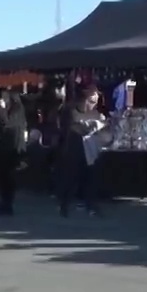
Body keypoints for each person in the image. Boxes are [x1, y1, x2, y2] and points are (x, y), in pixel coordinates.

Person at [56, 86, 107, 218]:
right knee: (71, 177)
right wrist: (91, 125)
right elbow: (76, 128)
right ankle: (64, 205)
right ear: (84, 99)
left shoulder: (95, 113)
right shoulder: (71, 111)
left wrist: (97, 124)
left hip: (90, 148)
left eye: (96, 102)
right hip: (75, 146)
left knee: (92, 177)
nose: (94, 104)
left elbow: (102, 126)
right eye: (92, 101)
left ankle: (91, 206)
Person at [0, 91, 27, 216]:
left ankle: (6, 203)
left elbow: (5, 124)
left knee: (5, 178)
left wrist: (1, 109)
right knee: (4, 178)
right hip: (8, 150)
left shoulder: (15, 112)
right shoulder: (18, 112)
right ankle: (5, 202)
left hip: (8, 150)